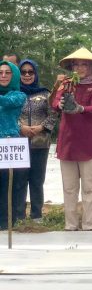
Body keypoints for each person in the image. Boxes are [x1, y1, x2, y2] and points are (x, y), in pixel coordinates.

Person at [51, 48, 92, 230]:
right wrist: (60, 103)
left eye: (85, 64)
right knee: (69, 187)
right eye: (76, 64)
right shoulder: (66, 84)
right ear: (72, 66)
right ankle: (70, 224)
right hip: (67, 141)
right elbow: (55, 103)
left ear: (91, 67)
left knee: (89, 187)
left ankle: (88, 224)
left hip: (89, 142)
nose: (80, 68)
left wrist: (80, 108)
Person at [15, 60, 58, 223]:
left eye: (30, 72)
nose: (27, 75)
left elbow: (53, 114)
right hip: (19, 143)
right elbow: (9, 115)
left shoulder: (46, 94)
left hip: (41, 142)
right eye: (23, 72)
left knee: (37, 179)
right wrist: (21, 127)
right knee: (19, 180)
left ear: (35, 74)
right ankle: (19, 215)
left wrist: (41, 127)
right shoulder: (14, 94)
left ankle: (36, 215)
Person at [0, 60, 27, 230]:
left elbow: (7, 102)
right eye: (0, 72)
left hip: (9, 143)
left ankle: (7, 221)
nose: (3, 76)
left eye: (7, 73)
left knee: (7, 185)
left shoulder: (18, 95)